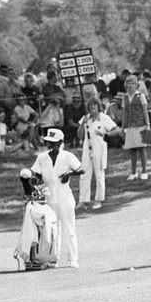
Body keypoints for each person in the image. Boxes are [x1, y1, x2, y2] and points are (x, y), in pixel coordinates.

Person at [30, 128, 84, 268]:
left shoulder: (67, 156)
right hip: (49, 199)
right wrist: (34, 180)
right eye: (49, 142)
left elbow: (81, 169)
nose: (50, 145)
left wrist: (69, 173)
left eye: (54, 143)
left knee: (69, 230)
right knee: (52, 231)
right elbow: (36, 174)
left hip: (64, 198)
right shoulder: (42, 157)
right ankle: (53, 259)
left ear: (60, 143)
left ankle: (73, 259)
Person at [77, 97, 119, 209]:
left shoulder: (104, 118)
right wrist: (82, 124)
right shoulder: (85, 118)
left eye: (94, 105)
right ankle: (83, 200)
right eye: (90, 106)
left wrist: (107, 134)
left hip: (99, 147)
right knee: (84, 173)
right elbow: (79, 135)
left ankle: (98, 199)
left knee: (99, 174)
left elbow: (116, 129)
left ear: (98, 106)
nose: (92, 108)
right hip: (87, 147)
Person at [122, 75, 151, 181]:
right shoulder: (125, 97)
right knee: (132, 149)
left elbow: (145, 111)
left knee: (142, 149)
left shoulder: (141, 96)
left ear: (136, 85)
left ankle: (144, 171)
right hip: (130, 126)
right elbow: (124, 113)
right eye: (128, 83)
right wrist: (123, 127)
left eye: (132, 83)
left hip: (141, 125)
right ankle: (133, 172)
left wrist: (148, 125)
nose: (130, 86)